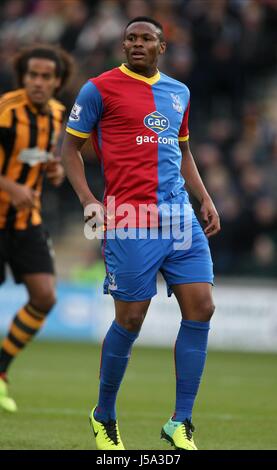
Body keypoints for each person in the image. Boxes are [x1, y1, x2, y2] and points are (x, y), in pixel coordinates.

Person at [62, 17, 220, 451]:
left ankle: (181, 421)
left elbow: (182, 150)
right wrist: (88, 200)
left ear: (161, 47)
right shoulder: (99, 88)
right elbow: (69, 148)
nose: (136, 43)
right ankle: (104, 414)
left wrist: (204, 197)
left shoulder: (178, 92)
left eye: (145, 38)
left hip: (180, 217)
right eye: (130, 38)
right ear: (123, 44)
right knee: (130, 319)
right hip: (128, 219)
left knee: (202, 308)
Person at [0, 45, 73, 412]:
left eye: (47, 77)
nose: (39, 83)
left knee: (44, 297)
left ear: (58, 82)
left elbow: (44, 161)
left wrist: (54, 171)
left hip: (28, 221)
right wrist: (10, 187)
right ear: (23, 77)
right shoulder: (5, 112)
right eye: (33, 76)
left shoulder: (59, 115)